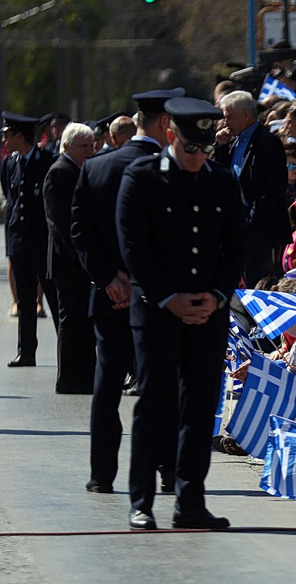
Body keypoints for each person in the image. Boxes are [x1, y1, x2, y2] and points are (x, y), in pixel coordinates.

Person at [116, 96, 246, 530]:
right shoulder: (143, 177)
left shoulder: (223, 181)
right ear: (171, 136)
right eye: (191, 148)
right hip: (157, 311)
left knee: (199, 406)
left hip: (208, 313)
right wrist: (167, 297)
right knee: (154, 405)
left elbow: (235, 247)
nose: (198, 158)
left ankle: (190, 501)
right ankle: (142, 502)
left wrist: (216, 294)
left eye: (206, 150)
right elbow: (134, 246)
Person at [71, 87, 183, 495]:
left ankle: (102, 473)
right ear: (165, 124)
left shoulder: (96, 166)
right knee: (160, 384)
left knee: (107, 385)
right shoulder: (169, 167)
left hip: (109, 295)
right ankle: (167, 469)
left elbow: (80, 231)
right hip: (155, 295)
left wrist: (108, 279)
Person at [1, 112, 59, 368]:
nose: (4, 138)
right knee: (25, 299)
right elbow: (11, 196)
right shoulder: (8, 163)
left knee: (55, 299)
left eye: (8, 134)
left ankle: (67, 351)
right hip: (20, 242)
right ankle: (26, 351)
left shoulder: (48, 161)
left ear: (19, 136)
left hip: (43, 242)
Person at [43, 122, 96, 394]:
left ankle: (85, 375)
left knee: (84, 322)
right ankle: (69, 379)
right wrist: (84, 259)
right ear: (66, 147)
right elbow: (62, 225)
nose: (89, 150)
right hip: (68, 263)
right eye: (83, 146)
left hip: (82, 263)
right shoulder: (60, 173)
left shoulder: (81, 170)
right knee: (71, 321)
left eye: (91, 145)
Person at [216, 90, 290, 285]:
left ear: (246, 114)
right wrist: (222, 147)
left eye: (229, 116)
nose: (225, 122)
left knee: (257, 285)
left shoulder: (267, 142)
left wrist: (251, 222)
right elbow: (222, 177)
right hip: (237, 226)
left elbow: (273, 188)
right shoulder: (234, 141)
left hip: (259, 230)